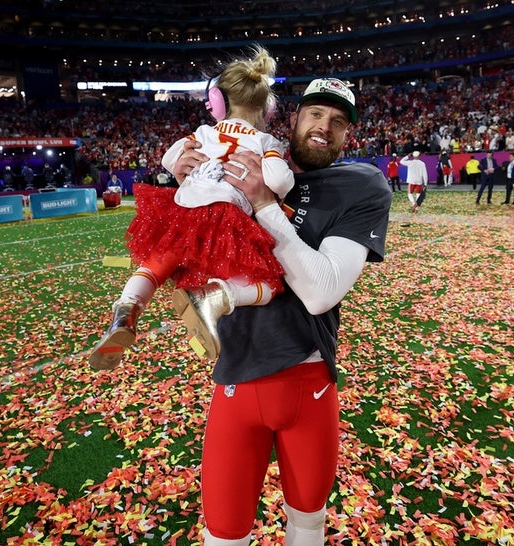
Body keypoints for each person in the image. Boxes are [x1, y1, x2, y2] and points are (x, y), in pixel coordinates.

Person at [172, 76, 391, 545]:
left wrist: (264, 204)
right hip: (236, 373)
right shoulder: (242, 160)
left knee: (308, 523)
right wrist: (195, 180)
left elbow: (320, 291)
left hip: (308, 379)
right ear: (293, 119)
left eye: (338, 121)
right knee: (224, 533)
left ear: (348, 135)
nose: (324, 127)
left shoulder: (359, 184)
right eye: (315, 113)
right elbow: (193, 258)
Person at [89, 45, 294, 370]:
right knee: (269, 283)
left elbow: (170, 160)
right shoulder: (265, 141)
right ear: (267, 108)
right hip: (224, 214)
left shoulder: (203, 131)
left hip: (183, 208)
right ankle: (214, 296)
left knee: (156, 265)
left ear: (218, 102)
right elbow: (281, 182)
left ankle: (126, 311)